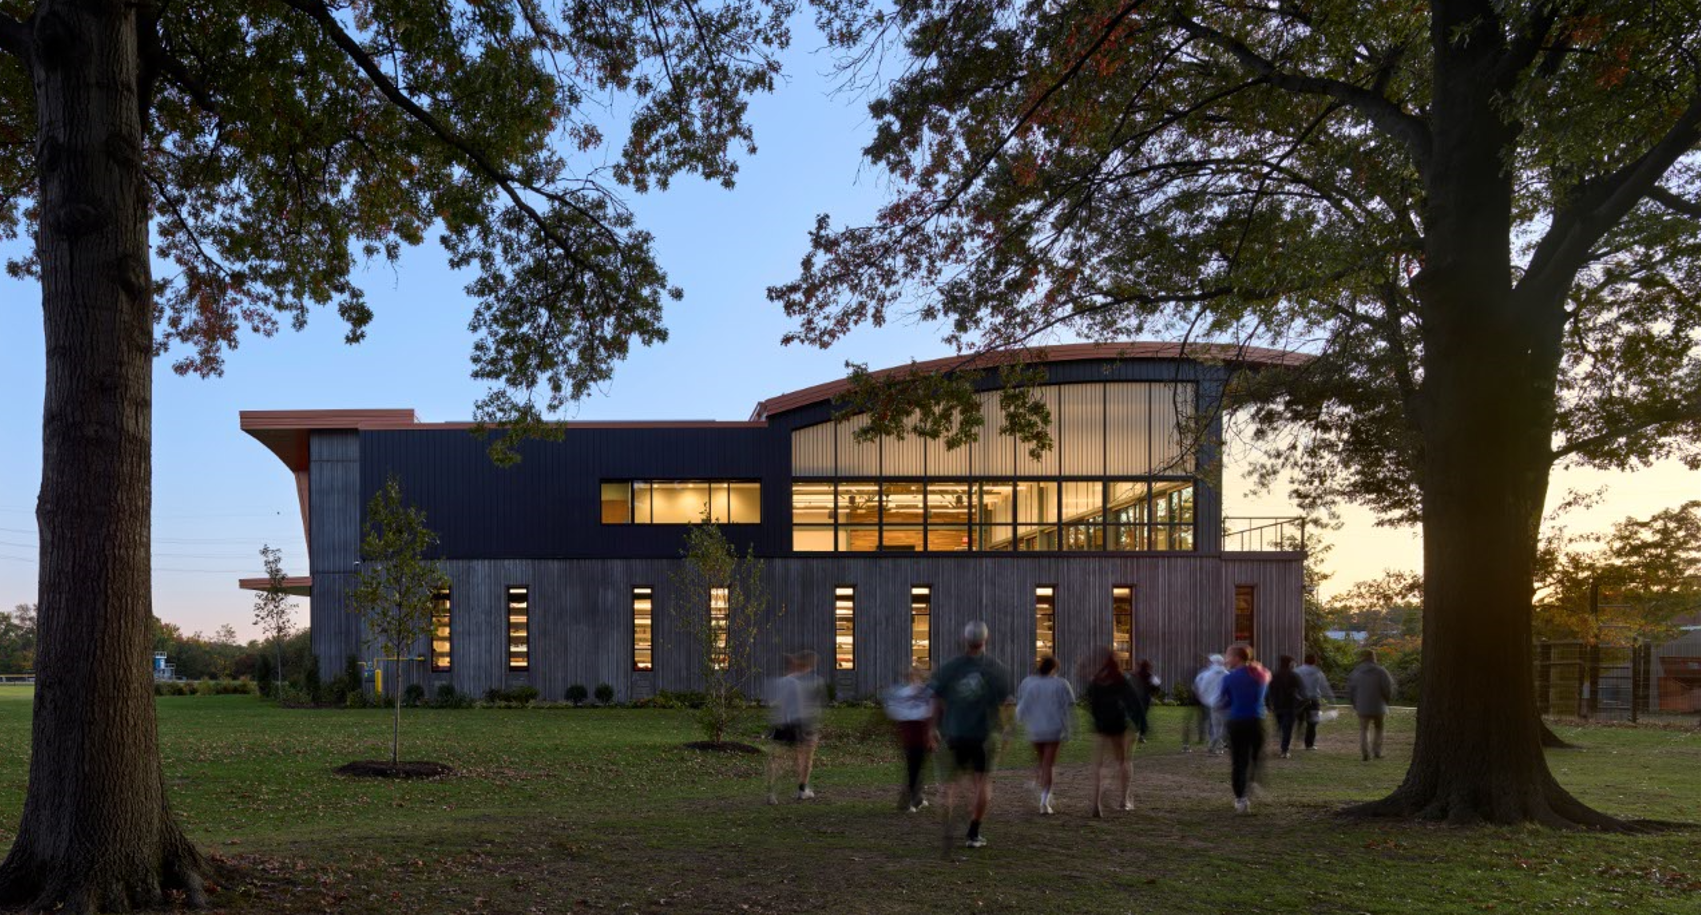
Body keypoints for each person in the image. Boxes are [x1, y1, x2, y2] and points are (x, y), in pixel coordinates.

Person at [930, 621, 1013, 849]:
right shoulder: (997, 668)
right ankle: (973, 833)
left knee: (949, 784)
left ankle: (947, 829)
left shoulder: (949, 668)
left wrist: (932, 728)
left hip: (954, 732)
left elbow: (936, 699)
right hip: (984, 734)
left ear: (965, 640)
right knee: (982, 783)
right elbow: (1004, 703)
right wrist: (1005, 729)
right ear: (986, 639)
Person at [1085, 648, 1142, 817]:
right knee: (1124, 761)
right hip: (1119, 725)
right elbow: (1134, 702)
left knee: (1098, 765)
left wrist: (1097, 719)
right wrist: (1141, 725)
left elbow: (1091, 703)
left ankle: (1096, 803)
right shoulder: (1121, 679)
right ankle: (1124, 800)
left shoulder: (1096, 681)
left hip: (1101, 727)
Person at [1015, 656, 1075, 814]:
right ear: (1054, 669)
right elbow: (1068, 707)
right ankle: (1044, 801)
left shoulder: (1029, 683)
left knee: (1042, 762)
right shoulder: (1061, 684)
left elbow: (1022, 705)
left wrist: (1018, 721)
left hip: (1035, 728)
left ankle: (1039, 785)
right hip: (1054, 728)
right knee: (1049, 764)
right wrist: (1069, 729)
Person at [766, 651, 825, 803]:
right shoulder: (799, 684)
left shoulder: (778, 682)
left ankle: (771, 792)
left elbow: (772, 703)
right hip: (798, 723)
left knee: (776, 758)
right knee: (806, 756)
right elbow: (802, 706)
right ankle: (802, 789)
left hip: (780, 723)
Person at [1216, 643, 1269, 814]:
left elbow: (1223, 701)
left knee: (1239, 761)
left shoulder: (1229, 678)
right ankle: (1252, 783)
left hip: (1237, 722)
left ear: (1237, 658)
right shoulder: (1260, 675)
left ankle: (1241, 799)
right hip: (1256, 721)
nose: (1226, 659)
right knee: (1255, 757)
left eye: (1228, 656)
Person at [884, 667, 934, 812]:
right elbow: (930, 711)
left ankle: (917, 796)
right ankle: (910, 800)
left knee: (915, 766)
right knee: (916, 768)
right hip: (920, 731)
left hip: (908, 731)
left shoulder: (899, 693)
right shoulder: (924, 692)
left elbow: (892, 711)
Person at [1346, 648, 1396, 762]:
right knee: (1379, 728)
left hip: (1362, 706)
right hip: (1378, 706)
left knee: (1364, 729)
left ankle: (1365, 752)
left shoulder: (1357, 672)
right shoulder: (1381, 671)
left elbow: (1351, 689)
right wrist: (1387, 701)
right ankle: (1377, 751)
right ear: (1374, 658)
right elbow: (1387, 688)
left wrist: (1354, 703)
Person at [1294, 653, 1336, 751]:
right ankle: (1309, 744)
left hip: (1300, 699)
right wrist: (1331, 699)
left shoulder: (1297, 671)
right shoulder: (1317, 672)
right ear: (1315, 661)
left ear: (1304, 660)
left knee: (1300, 719)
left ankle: (1299, 733)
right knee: (1312, 723)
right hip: (1313, 700)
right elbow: (1324, 687)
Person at [1265, 655, 1304, 758]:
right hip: (1290, 706)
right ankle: (1284, 750)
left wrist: (1268, 704)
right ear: (1290, 664)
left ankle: (1280, 741)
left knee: (1280, 725)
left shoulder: (1274, 675)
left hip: (1277, 706)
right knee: (1287, 728)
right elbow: (1301, 691)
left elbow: (1268, 691)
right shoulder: (1294, 676)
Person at [1193, 654, 1229, 754]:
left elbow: (1201, 689)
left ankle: (1213, 746)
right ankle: (1219, 744)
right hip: (1226, 704)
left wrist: (1207, 700)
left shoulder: (1207, 675)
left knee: (1216, 727)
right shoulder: (1227, 674)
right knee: (1225, 727)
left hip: (1214, 704)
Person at [1180, 655, 1209, 753]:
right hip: (1198, 698)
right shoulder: (1203, 671)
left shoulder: (1200, 671)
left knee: (1199, 719)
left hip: (1195, 698)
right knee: (1199, 719)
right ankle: (1189, 742)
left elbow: (1187, 682)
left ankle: (1194, 739)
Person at [1131, 659, 1161, 744]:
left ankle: (1135, 733)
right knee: (1143, 717)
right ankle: (1141, 735)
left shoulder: (1136, 675)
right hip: (1145, 699)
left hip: (1135, 699)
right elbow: (1157, 686)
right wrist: (1153, 694)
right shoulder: (1150, 676)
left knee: (1136, 717)